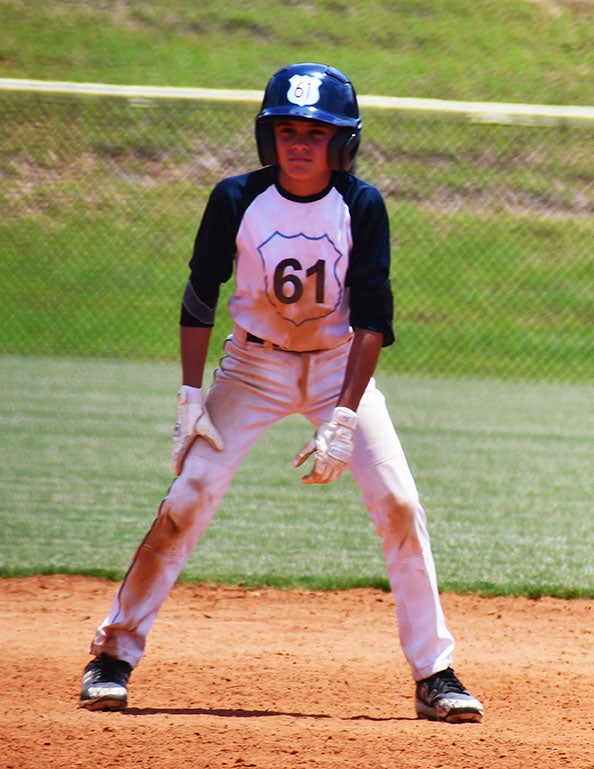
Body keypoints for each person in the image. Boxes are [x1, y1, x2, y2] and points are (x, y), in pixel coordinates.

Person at [78, 63, 483, 722]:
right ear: (268, 137)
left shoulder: (362, 205)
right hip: (249, 369)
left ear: (343, 143)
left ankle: (434, 672)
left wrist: (346, 416)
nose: (300, 143)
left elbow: (373, 319)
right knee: (191, 495)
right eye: (287, 129)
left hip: (337, 367)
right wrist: (189, 397)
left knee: (400, 503)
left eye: (318, 133)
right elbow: (198, 294)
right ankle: (113, 654)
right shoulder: (235, 199)